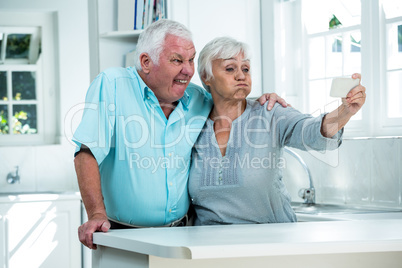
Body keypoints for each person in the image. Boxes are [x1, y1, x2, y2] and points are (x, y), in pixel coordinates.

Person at [73, 19, 287, 249]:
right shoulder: (113, 84)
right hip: (122, 235)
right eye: (177, 60)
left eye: (191, 60)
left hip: (182, 236)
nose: (188, 70)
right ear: (146, 62)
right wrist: (96, 213)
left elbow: (229, 101)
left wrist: (263, 100)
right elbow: (87, 152)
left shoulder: (196, 97)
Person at [188, 37, 366, 225]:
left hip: (270, 243)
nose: (241, 76)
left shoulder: (270, 113)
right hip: (208, 247)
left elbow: (310, 131)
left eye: (246, 69)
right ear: (206, 76)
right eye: (230, 68)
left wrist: (344, 111)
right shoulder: (193, 123)